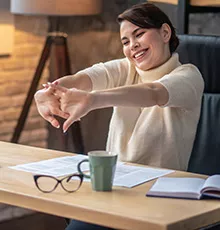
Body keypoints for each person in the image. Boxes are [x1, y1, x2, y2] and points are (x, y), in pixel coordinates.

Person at [34, 2, 204, 230]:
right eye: (125, 41)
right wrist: (46, 92)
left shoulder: (188, 76)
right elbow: (82, 79)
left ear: (165, 32)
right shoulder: (126, 68)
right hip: (114, 190)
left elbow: (153, 93)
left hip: (158, 197)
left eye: (139, 34)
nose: (133, 46)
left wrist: (93, 100)